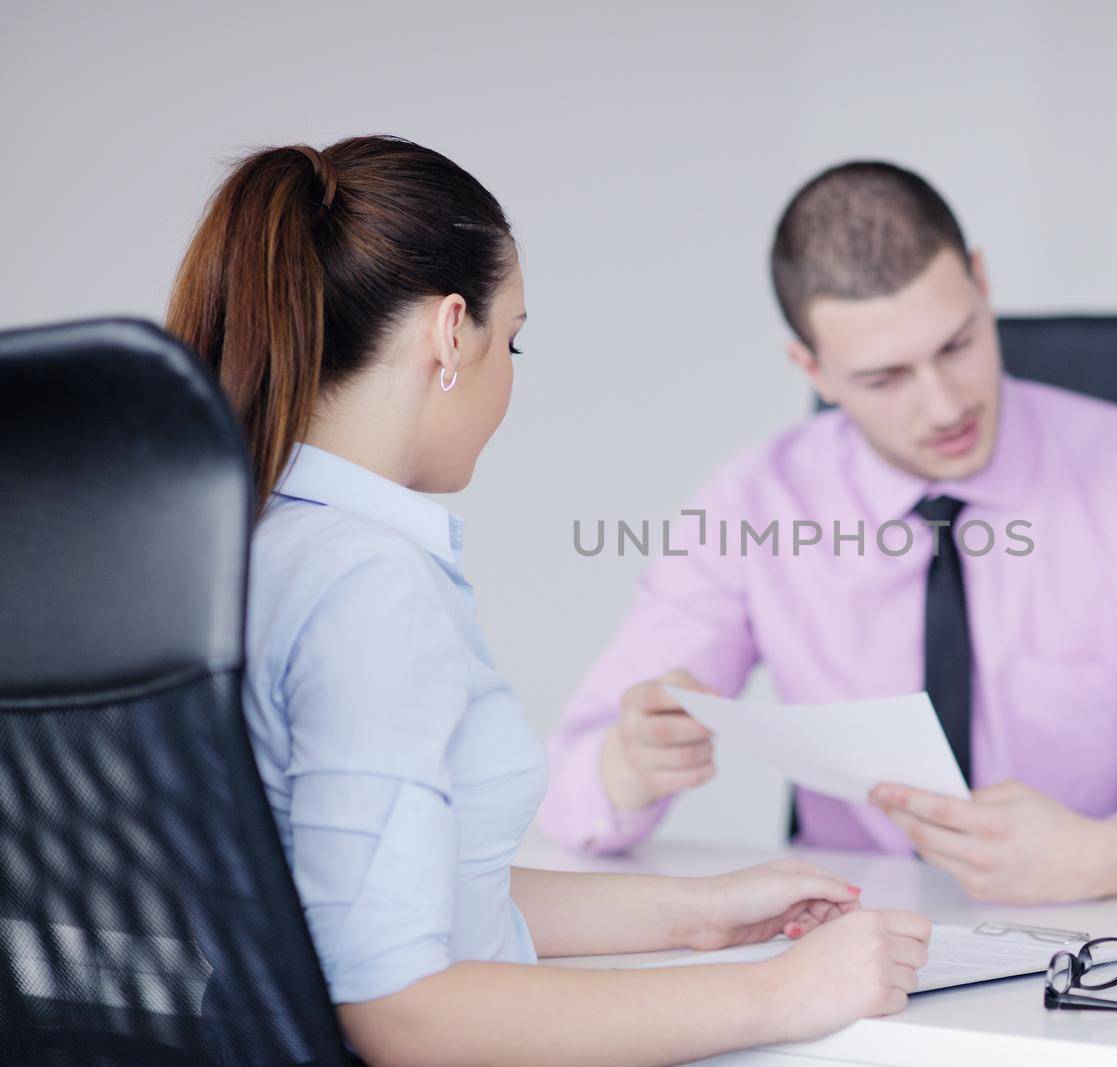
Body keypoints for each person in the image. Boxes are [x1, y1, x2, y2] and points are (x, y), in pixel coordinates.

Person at [166, 136, 931, 1067]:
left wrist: (701, 912)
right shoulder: (370, 584)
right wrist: (783, 990)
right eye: (513, 336)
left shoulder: (258, 546)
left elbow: (423, 901)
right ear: (452, 333)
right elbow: (396, 1008)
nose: (513, 372)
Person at [541, 160, 1117, 904]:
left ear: (981, 281)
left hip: (1113, 933)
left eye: (957, 344)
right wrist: (627, 767)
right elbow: (571, 787)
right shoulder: (753, 505)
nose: (943, 406)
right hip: (848, 939)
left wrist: (1109, 856)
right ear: (813, 369)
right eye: (884, 378)